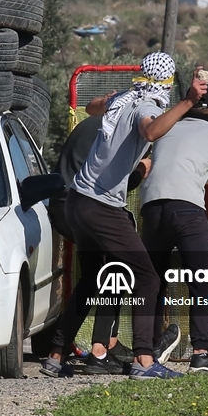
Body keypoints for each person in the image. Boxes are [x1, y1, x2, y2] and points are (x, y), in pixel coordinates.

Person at [44, 51, 207, 380]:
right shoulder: (147, 106)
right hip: (101, 206)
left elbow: (90, 107)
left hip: (77, 200)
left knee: (92, 280)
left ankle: (55, 355)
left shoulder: (123, 98)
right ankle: (144, 361)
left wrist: (112, 99)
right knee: (146, 277)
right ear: (168, 82)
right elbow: (150, 131)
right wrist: (189, 101)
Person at [140, 72, 208, 375]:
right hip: (188, 212)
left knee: (153, 283)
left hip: (152, 208)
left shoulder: (167, 127)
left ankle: (149, 350)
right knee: (200, 282)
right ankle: (200, 353)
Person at [42, 115, 149, 376]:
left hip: (65, 206)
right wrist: (144, 168)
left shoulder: (93, 123)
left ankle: (57, 354)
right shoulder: (123, 132)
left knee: (92, 278)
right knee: (117, 274)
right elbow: (116, 182)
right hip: (93, 208)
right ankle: (100, 353)